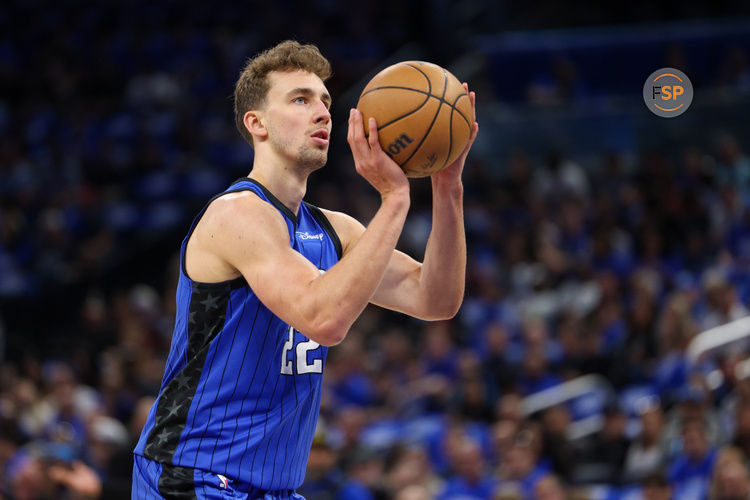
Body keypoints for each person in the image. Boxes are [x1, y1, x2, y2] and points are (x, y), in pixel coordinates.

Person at [131, 40, 478, 499]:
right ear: (256, 124)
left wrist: (447, 187)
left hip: (274, 488)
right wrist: (395, 201)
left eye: (325, 101)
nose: (322, 112)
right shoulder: (235, 215)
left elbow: (436, 299)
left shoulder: (334, 230)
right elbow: (324, 318)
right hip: (192, 476)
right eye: (300, 99)